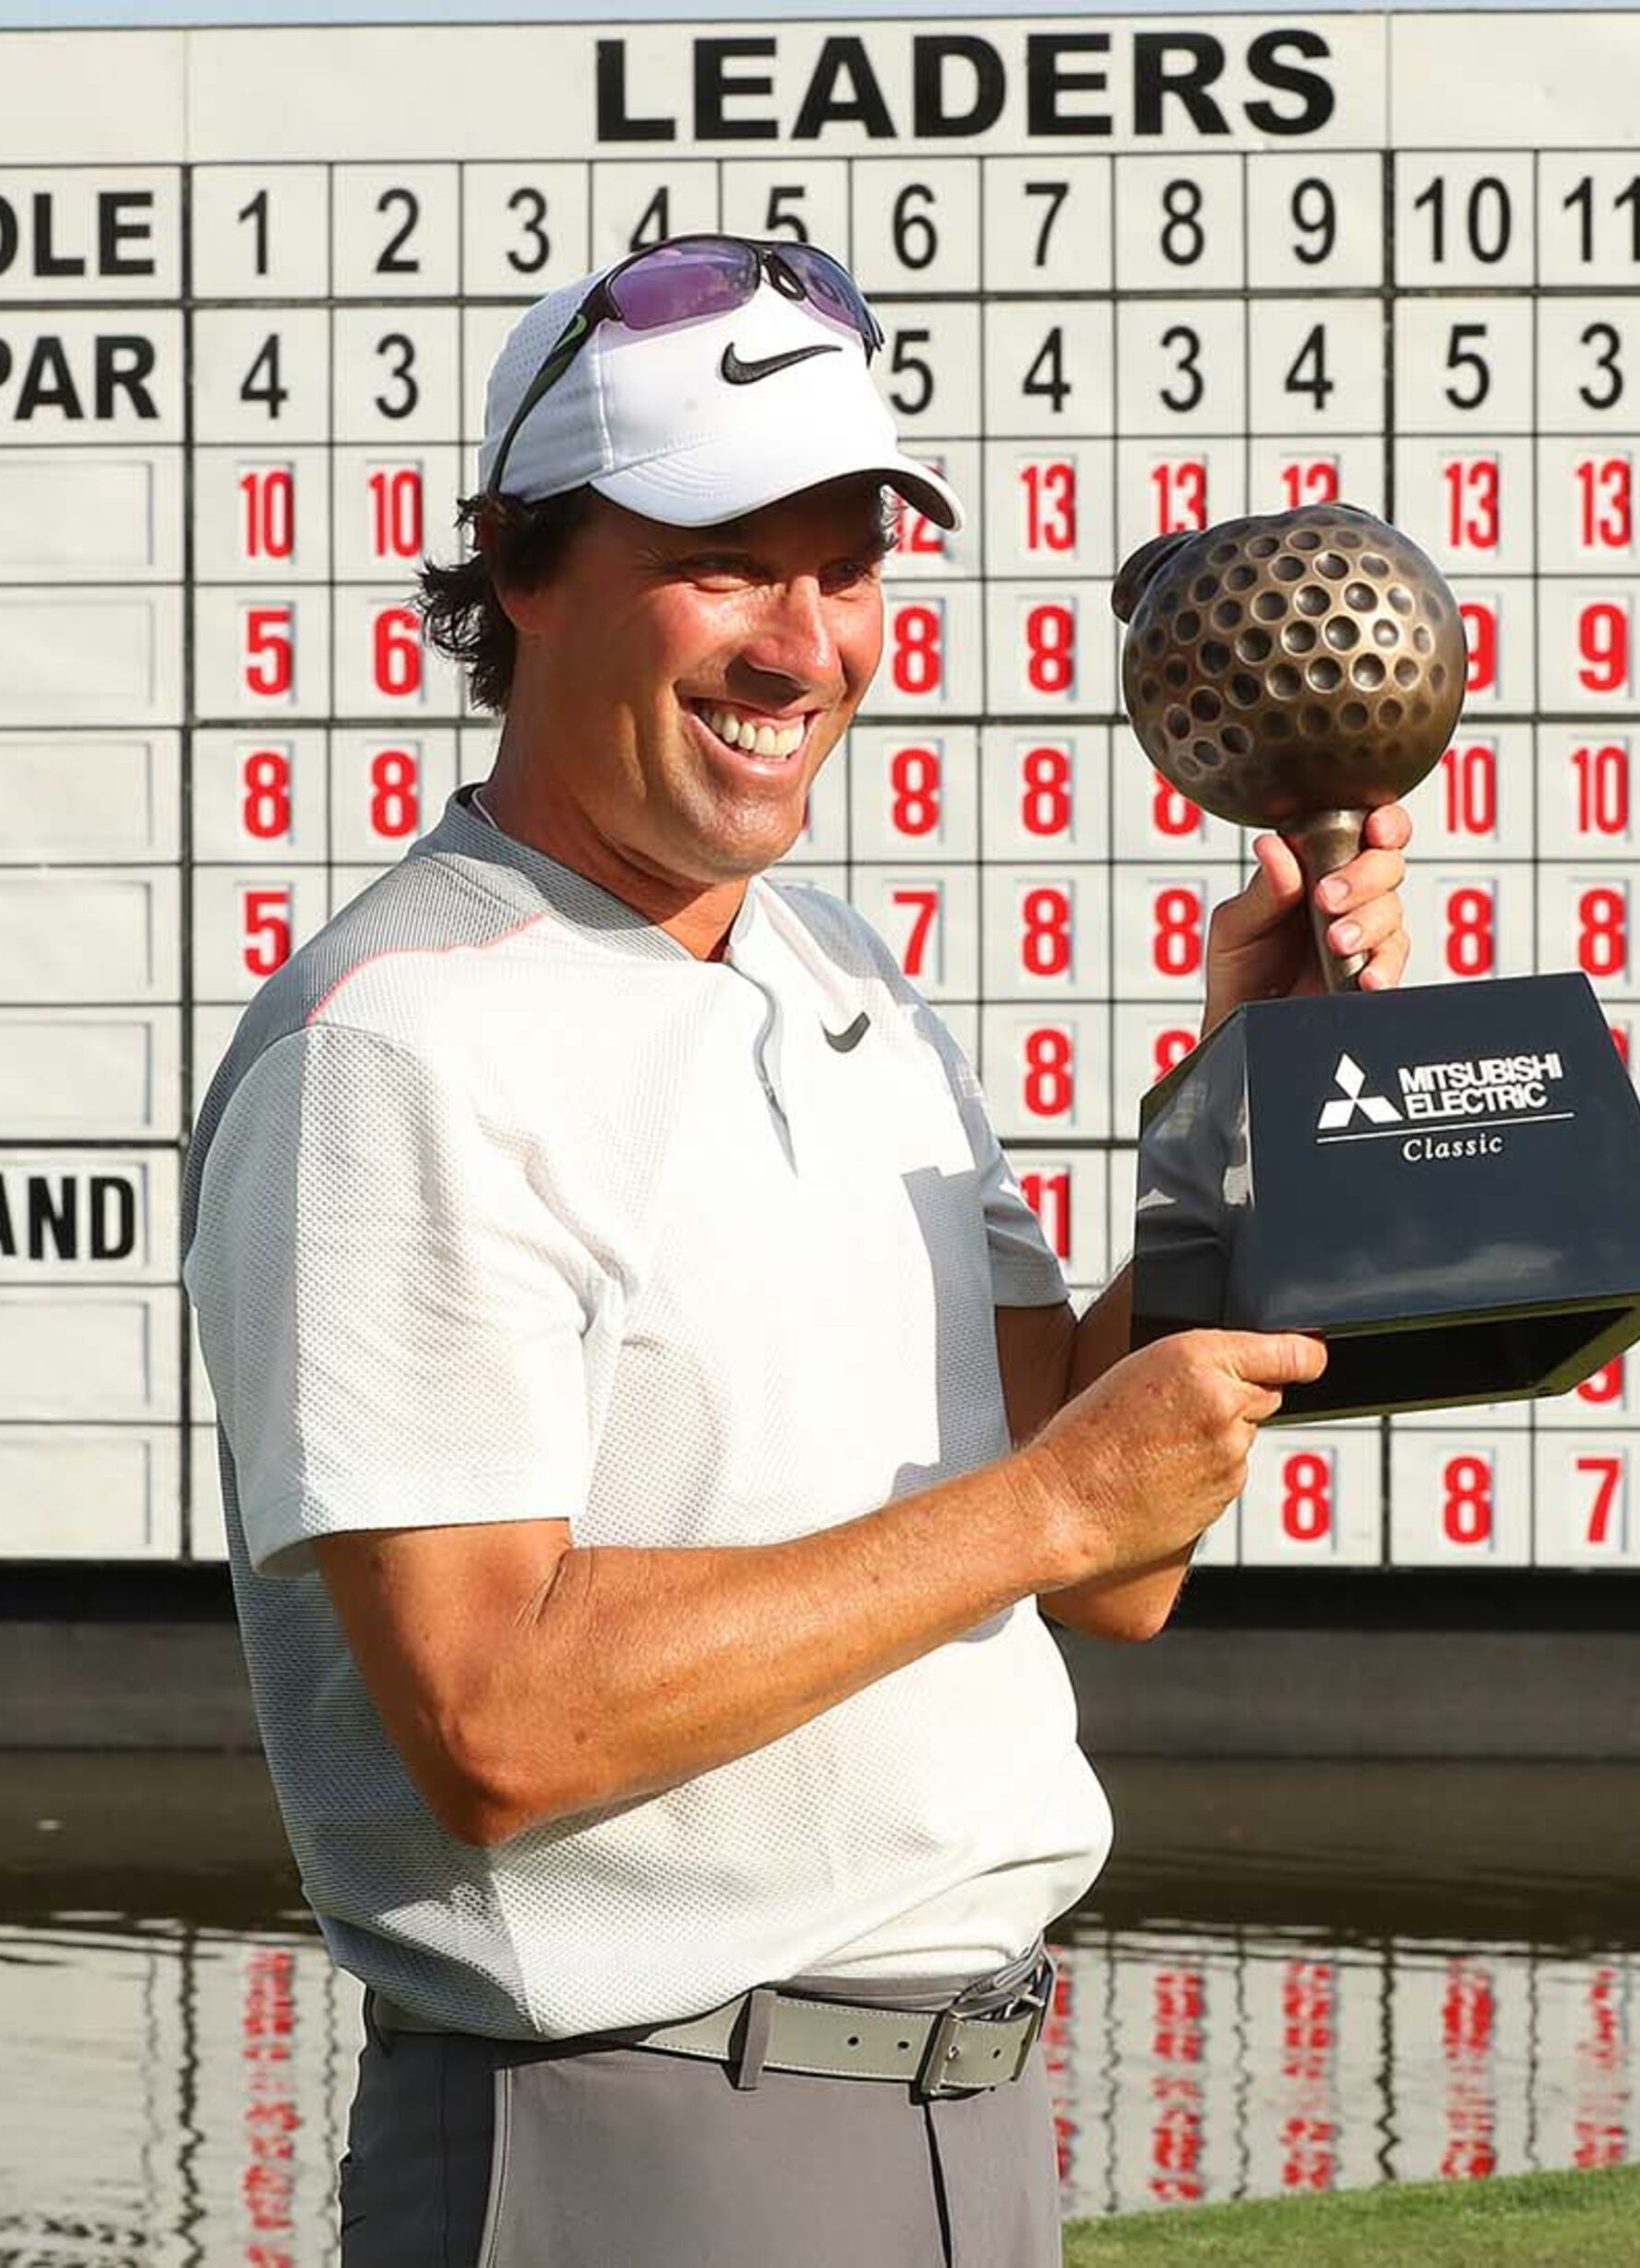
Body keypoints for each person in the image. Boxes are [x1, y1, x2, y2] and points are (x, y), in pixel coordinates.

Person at [180, 234, 1415, 2266]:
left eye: (843, 567)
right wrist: (1037, 1506)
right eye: (725, 556)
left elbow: (1113, 1553)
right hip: (625, 2141)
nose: (801, 641)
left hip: (973, 2122)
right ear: (517, 561)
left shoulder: (840, 968)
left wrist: (1249, 1098)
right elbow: (493, 1715)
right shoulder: (395, 1042)